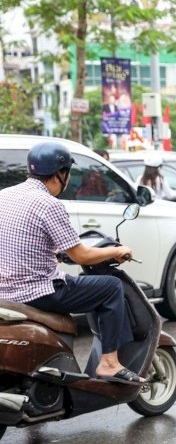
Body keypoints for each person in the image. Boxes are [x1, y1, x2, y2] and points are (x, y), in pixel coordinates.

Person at [0, 142, 145, 384]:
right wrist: (116, 250)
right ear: (61, 173)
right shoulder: (49, 204)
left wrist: (55, 254)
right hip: (37, 291)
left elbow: (22, 240)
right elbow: (81, 256)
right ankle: (109, 363)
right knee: (111, 288)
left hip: (5, 291)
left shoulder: (4, 195)